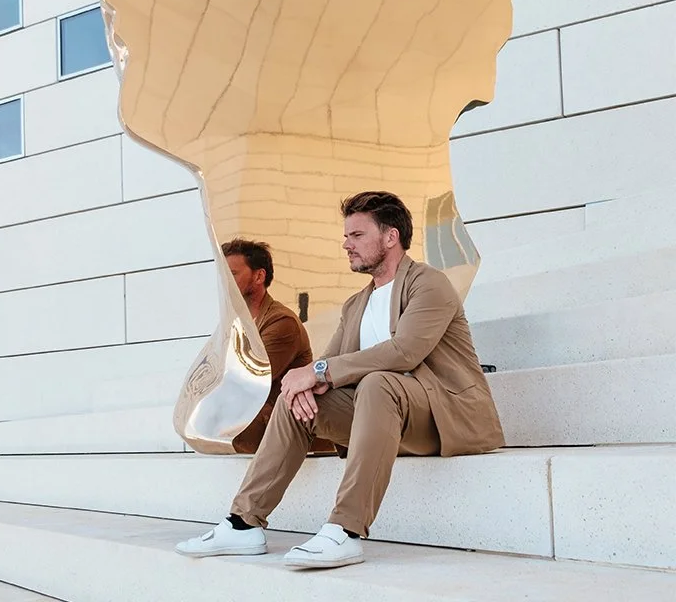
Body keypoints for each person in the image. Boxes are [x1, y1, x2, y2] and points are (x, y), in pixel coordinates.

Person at [176, 192, 504, 570]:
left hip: (438, 416)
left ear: (390, 237)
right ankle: (243, 523)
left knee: (379, 382)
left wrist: (318, 373)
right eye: (346, 236)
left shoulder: (428, 284)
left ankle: (345, 531)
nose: (346, 244)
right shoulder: (356, 304)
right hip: (378, 417)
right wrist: (305, 383)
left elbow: (405, 352)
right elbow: (327, 363)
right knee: (296, 399)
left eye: (357, 235)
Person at [223, 238, 313, 454]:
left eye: (232, 274)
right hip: (252, 425)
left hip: (279, 428)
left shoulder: (282, 322)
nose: (224, 280)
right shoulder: (235, 322)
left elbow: (249, 380)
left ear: (259, 276)